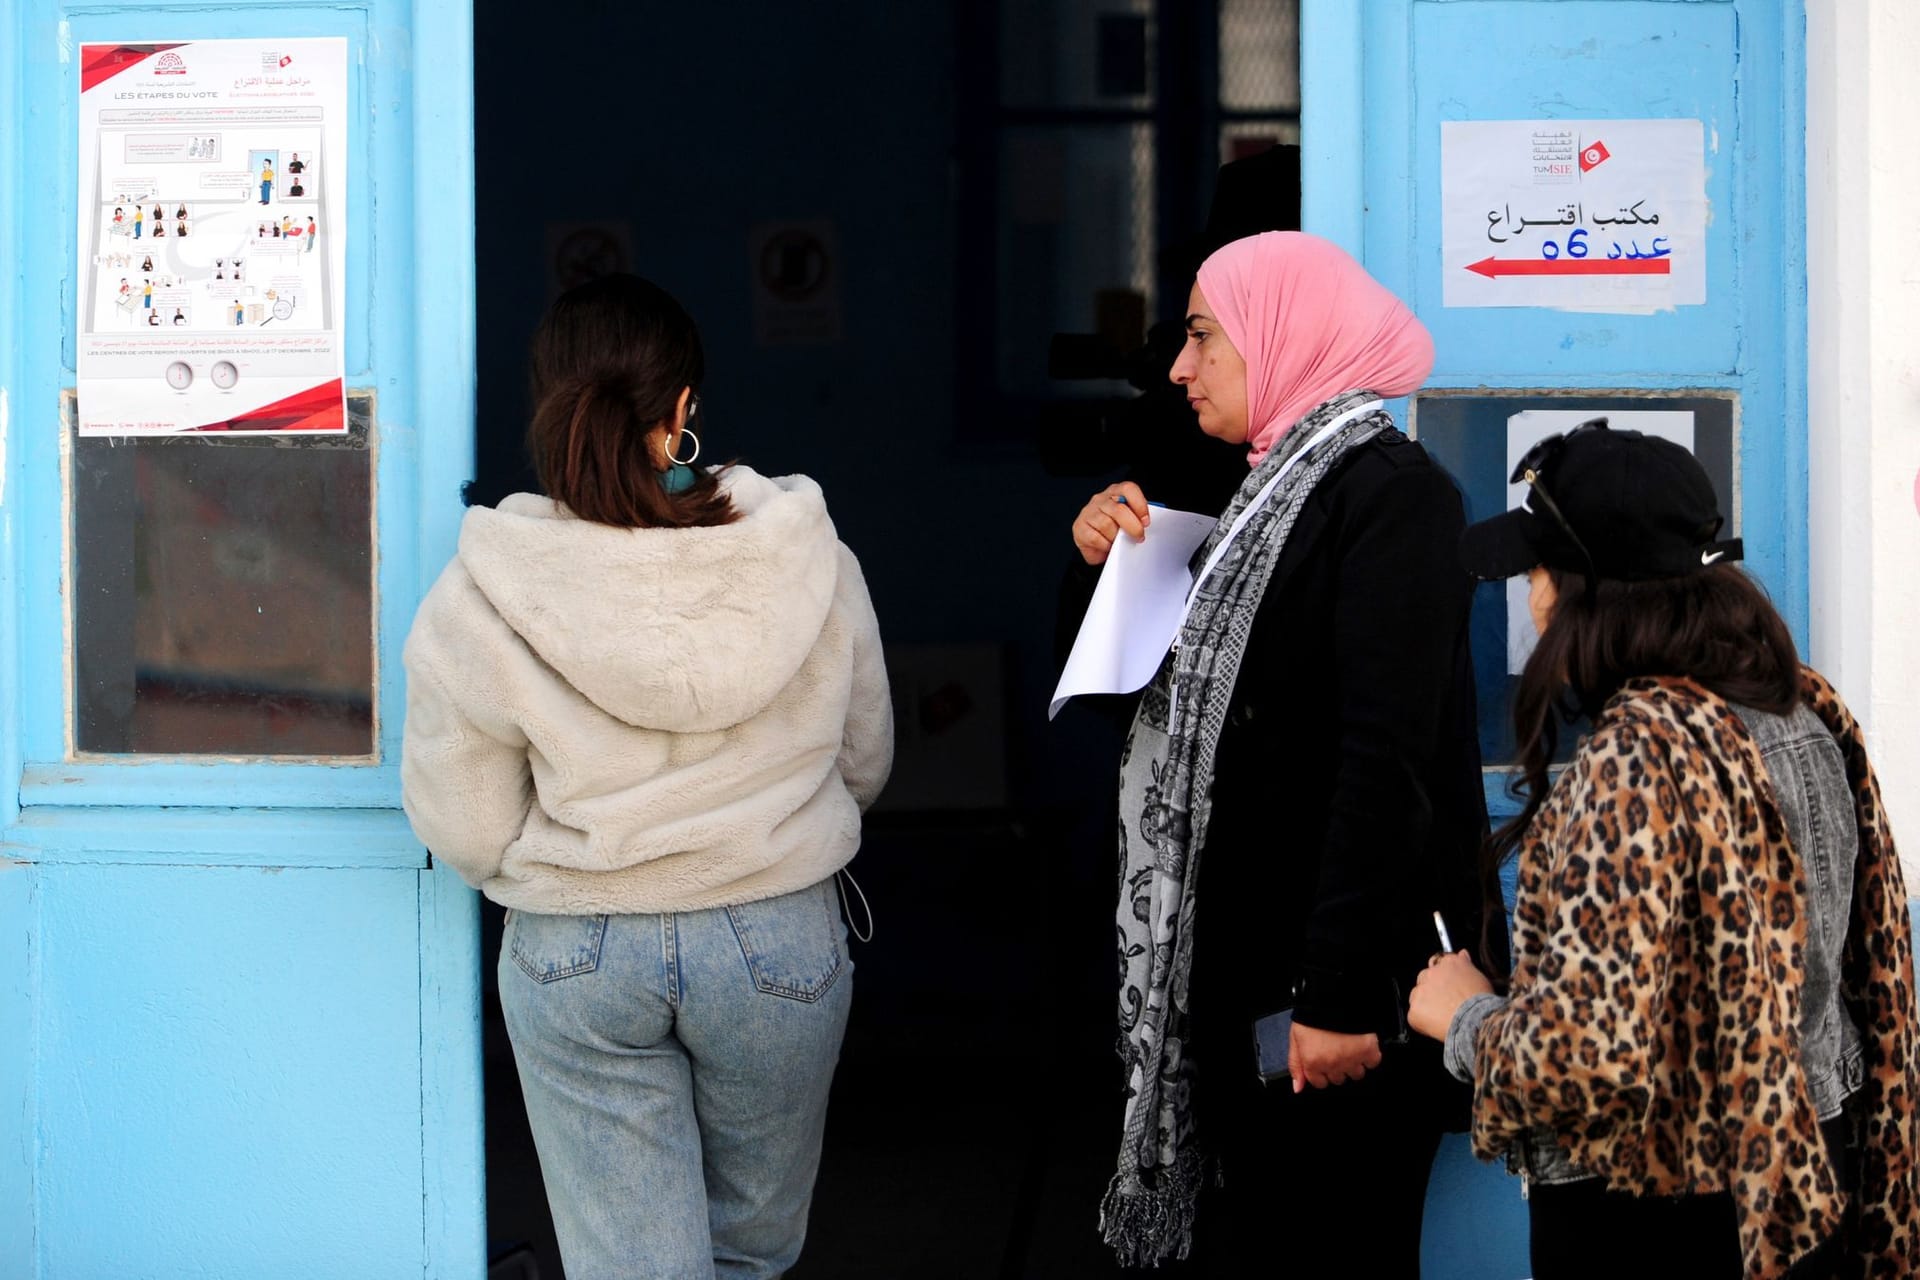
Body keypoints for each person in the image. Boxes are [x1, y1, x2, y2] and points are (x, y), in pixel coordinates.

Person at [401, 272, 893, 1280]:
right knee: (749, 1255)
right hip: (777, 939)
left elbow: (466, 827)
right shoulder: (807, 554)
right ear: (682, 414)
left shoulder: (484, 585)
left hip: (580, 947)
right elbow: (865, 760)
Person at [1068, 231, 1495, 1274]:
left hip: (1340, 1007)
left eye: (1204, 338)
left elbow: (1381, 763)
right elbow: (1140, 709)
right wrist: (1098, 562)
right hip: (1252, 989)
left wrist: (1338, 998)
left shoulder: (1390, 497)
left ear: (1279, 337)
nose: (1180, 366)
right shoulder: (1255, 501)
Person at [1408, 421, 1920, 1279]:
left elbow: (1582, 1060)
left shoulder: (1635, 758)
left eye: (1537, 569)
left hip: (1656, 1218)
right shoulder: (1803, 711)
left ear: (1585, 588)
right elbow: (1859, 969)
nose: (1532, 598)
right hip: (1806, 1186)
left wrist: (1462, 1016)